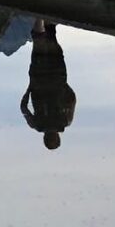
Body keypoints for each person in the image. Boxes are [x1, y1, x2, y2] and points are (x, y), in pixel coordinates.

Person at [19, 18, 76, 150]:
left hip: (58, 76)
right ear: (44, 138)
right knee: (38, 44)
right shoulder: (36, 124)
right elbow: (23, 107)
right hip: (38, 79)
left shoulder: (65, 121)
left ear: (58, 137)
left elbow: (72, 99)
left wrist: (64, 85)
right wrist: (29, 89)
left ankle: (44, 16)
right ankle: (39, 17)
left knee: (52, 40)